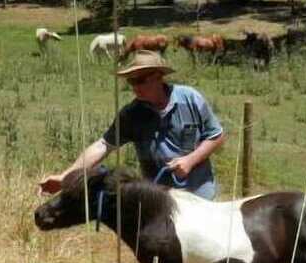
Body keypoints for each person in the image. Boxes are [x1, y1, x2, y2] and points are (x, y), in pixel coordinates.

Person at [39, 50, 225, 199]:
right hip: (159, 201)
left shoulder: (190, 98)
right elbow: (103, 145)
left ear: (159, 76)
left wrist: (190, 160)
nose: (135, 87)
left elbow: (216, 136)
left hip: (200, 196)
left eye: (141, 80)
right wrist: (66, 176)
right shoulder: (131, 114)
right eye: (131, 81)